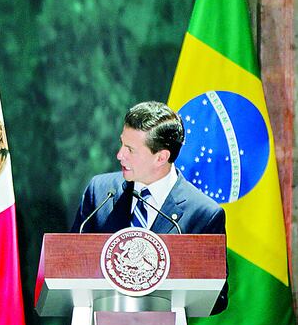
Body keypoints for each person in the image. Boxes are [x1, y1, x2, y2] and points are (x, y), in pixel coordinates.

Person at [72, 101, 227, 311]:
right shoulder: (100, 192)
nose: (120, 155)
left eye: (130, 150)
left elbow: (218, 297)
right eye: (122, 144)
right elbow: (71, 267)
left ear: (161, 157)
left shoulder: (203, 214)